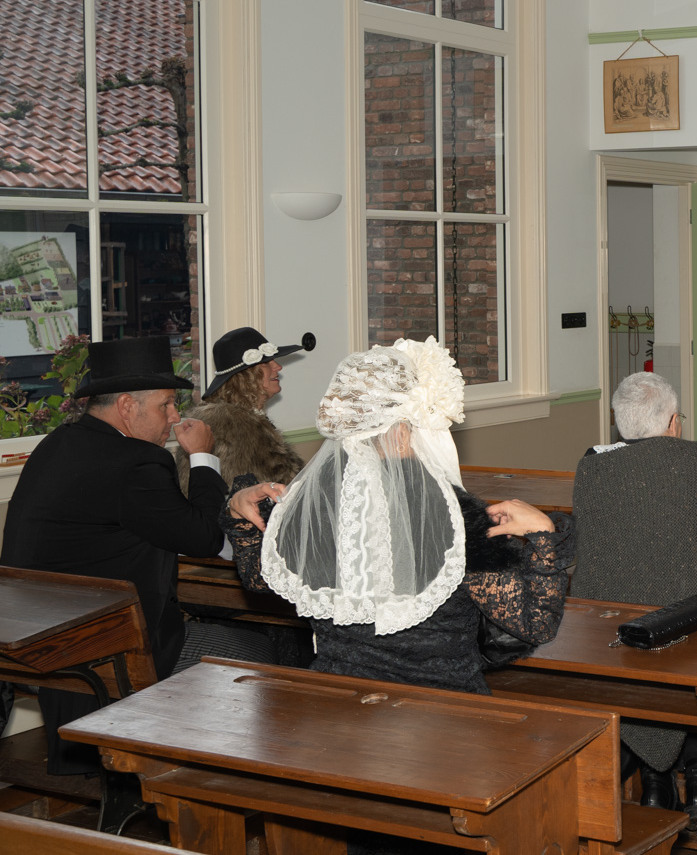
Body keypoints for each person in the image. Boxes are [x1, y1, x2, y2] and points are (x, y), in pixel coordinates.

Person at [222, 337, 571, 698]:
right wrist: (544, 535)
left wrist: (237, 510)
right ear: (404, 432)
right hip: (439, 706)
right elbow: (534, 624)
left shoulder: (311, 506)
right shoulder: (457, 519)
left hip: (336, 701)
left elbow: (259, 578)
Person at [0, 336, 281, 775]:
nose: (175, 417)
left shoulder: (58, 443)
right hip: (101, 651)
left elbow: (146, 524)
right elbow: (204, 536)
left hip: (34, 641)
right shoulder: (136, 462)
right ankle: (205, 779)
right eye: (166, 404)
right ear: (127, 406)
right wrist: (202, 456)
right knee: (259, 650)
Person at [569, 372, 697, 833]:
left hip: (617, 630)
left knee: (647, 625)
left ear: (619, 423)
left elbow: (590, 555)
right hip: (690, 627)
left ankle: (655, 786)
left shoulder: (592, 468)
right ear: (674, 422)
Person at [174, 327, 316, 492]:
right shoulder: (231, 426)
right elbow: (248, 495)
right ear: (245, 375)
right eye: (266, 363)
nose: (278, 367)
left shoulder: (242, 417)